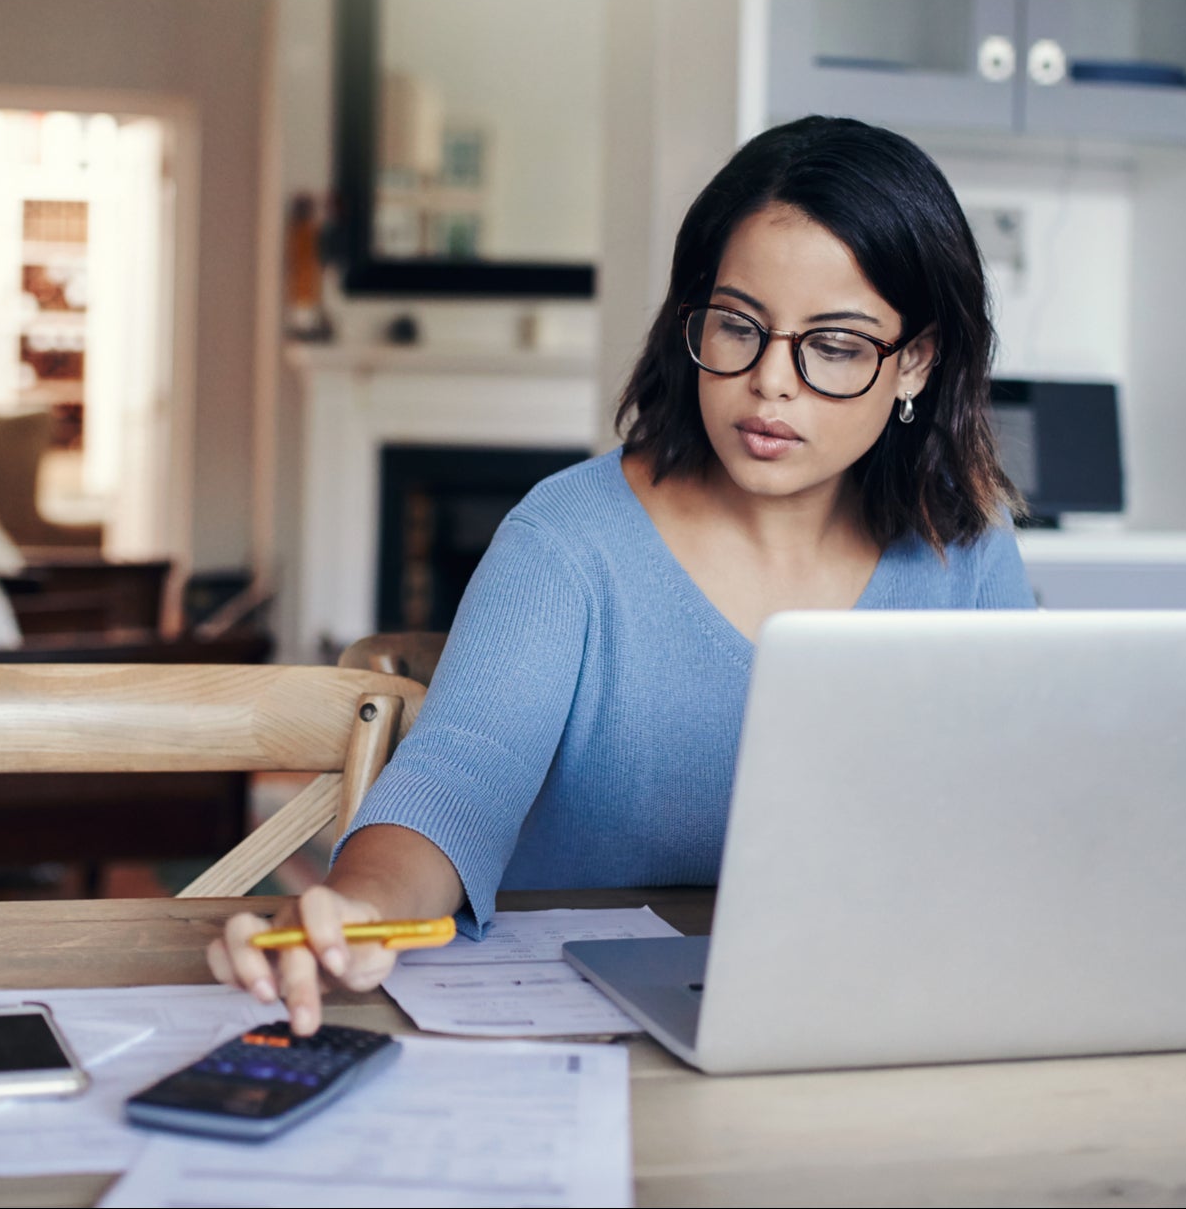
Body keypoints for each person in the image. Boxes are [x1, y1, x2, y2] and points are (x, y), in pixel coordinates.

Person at [210, 115, 1034, 1032]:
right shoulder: (566, 540)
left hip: (861, 1016)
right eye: (738, 327)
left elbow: (1021, 813)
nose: (771, 382)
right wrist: (358, 908)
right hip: (578, 1031)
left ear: (914, 360)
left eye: (834, 346)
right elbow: (453, 784)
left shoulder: (966, 544)